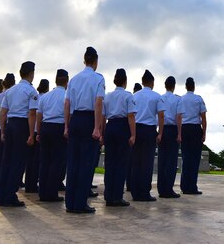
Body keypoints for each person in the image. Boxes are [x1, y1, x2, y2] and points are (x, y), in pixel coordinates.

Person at [64, 46, 105, 214]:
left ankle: (70, 202)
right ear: (95, 62)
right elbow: (98, 102)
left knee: (73, 162)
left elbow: (67, 104)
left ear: (84, 61)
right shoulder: (98, 78)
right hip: (89, 119)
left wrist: (66, 126)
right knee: (86, 164)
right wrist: (97, 127)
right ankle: (80, 203)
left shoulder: (74, 79)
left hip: (75, 119)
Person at [0, 61, 38, 207]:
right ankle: (10, 195)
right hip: (22, 126)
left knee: (7, 161)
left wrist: (3, 131)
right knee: (18, 161)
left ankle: (2, 195)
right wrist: (31, 134)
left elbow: (3, 113)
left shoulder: (10, 91)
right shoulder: (31, 92)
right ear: (31, 74)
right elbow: (32, 113)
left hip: (10, 125)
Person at [102, 68, 136, 207]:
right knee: (121, 163)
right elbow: (131, 116)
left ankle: (108, 195)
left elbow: (103, 117)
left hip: (110, 126)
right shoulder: (128, 96)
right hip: (122, 126)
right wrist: (133, 134)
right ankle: (117, 196)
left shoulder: (108, 96)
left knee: (109, 163)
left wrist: (103, 133)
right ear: (125, 81)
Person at [130, 70, 164, 201]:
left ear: (143, 82)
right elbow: (161, 115)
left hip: (137, 129)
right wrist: (160, 133)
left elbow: (131, 114)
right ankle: (144, 192)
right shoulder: (157, 96)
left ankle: (135, 192)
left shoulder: (135, 96)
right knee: (147, 163)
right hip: (149, 130)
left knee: (136, 162)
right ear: (152, 82)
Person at [37, 70, 68, 202]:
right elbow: (69, 115)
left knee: (45, 161)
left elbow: (39, 116)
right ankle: (51, 193)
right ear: (67, 81)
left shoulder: (45, 97)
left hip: (45, 127)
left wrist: (38, 132)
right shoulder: (67, 96)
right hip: (59, 127)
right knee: (57, 162)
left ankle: (42, 192)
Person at [177, 77, 206, 195]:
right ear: (194, 86)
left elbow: (178, 116)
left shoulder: (181, 99)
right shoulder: (198, 99)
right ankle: (192, 186)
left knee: (185, 158)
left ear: (185, 86)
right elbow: (203, 117)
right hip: (195, 129)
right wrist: (204, 132)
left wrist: (179, 133)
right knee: (194, 160)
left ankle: (184, 186)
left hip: (184, 128)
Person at [157, 76, 181, 198]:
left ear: (165, 85)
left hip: (162, 129)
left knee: (162, 160)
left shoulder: (160, 98)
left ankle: (161, 189)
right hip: (172, 129)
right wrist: (179, 133)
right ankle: (168, 189)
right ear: (174, 85)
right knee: (171, 161)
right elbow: (178, 117)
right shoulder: (177, 99)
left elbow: (159, 115)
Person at [24, 79, 49, 193]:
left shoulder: (36, 96)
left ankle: (28, 183)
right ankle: (33, 184)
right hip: (37, 130)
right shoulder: (45, 98)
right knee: (36, 160)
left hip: (30, 129)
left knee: (29, 159)